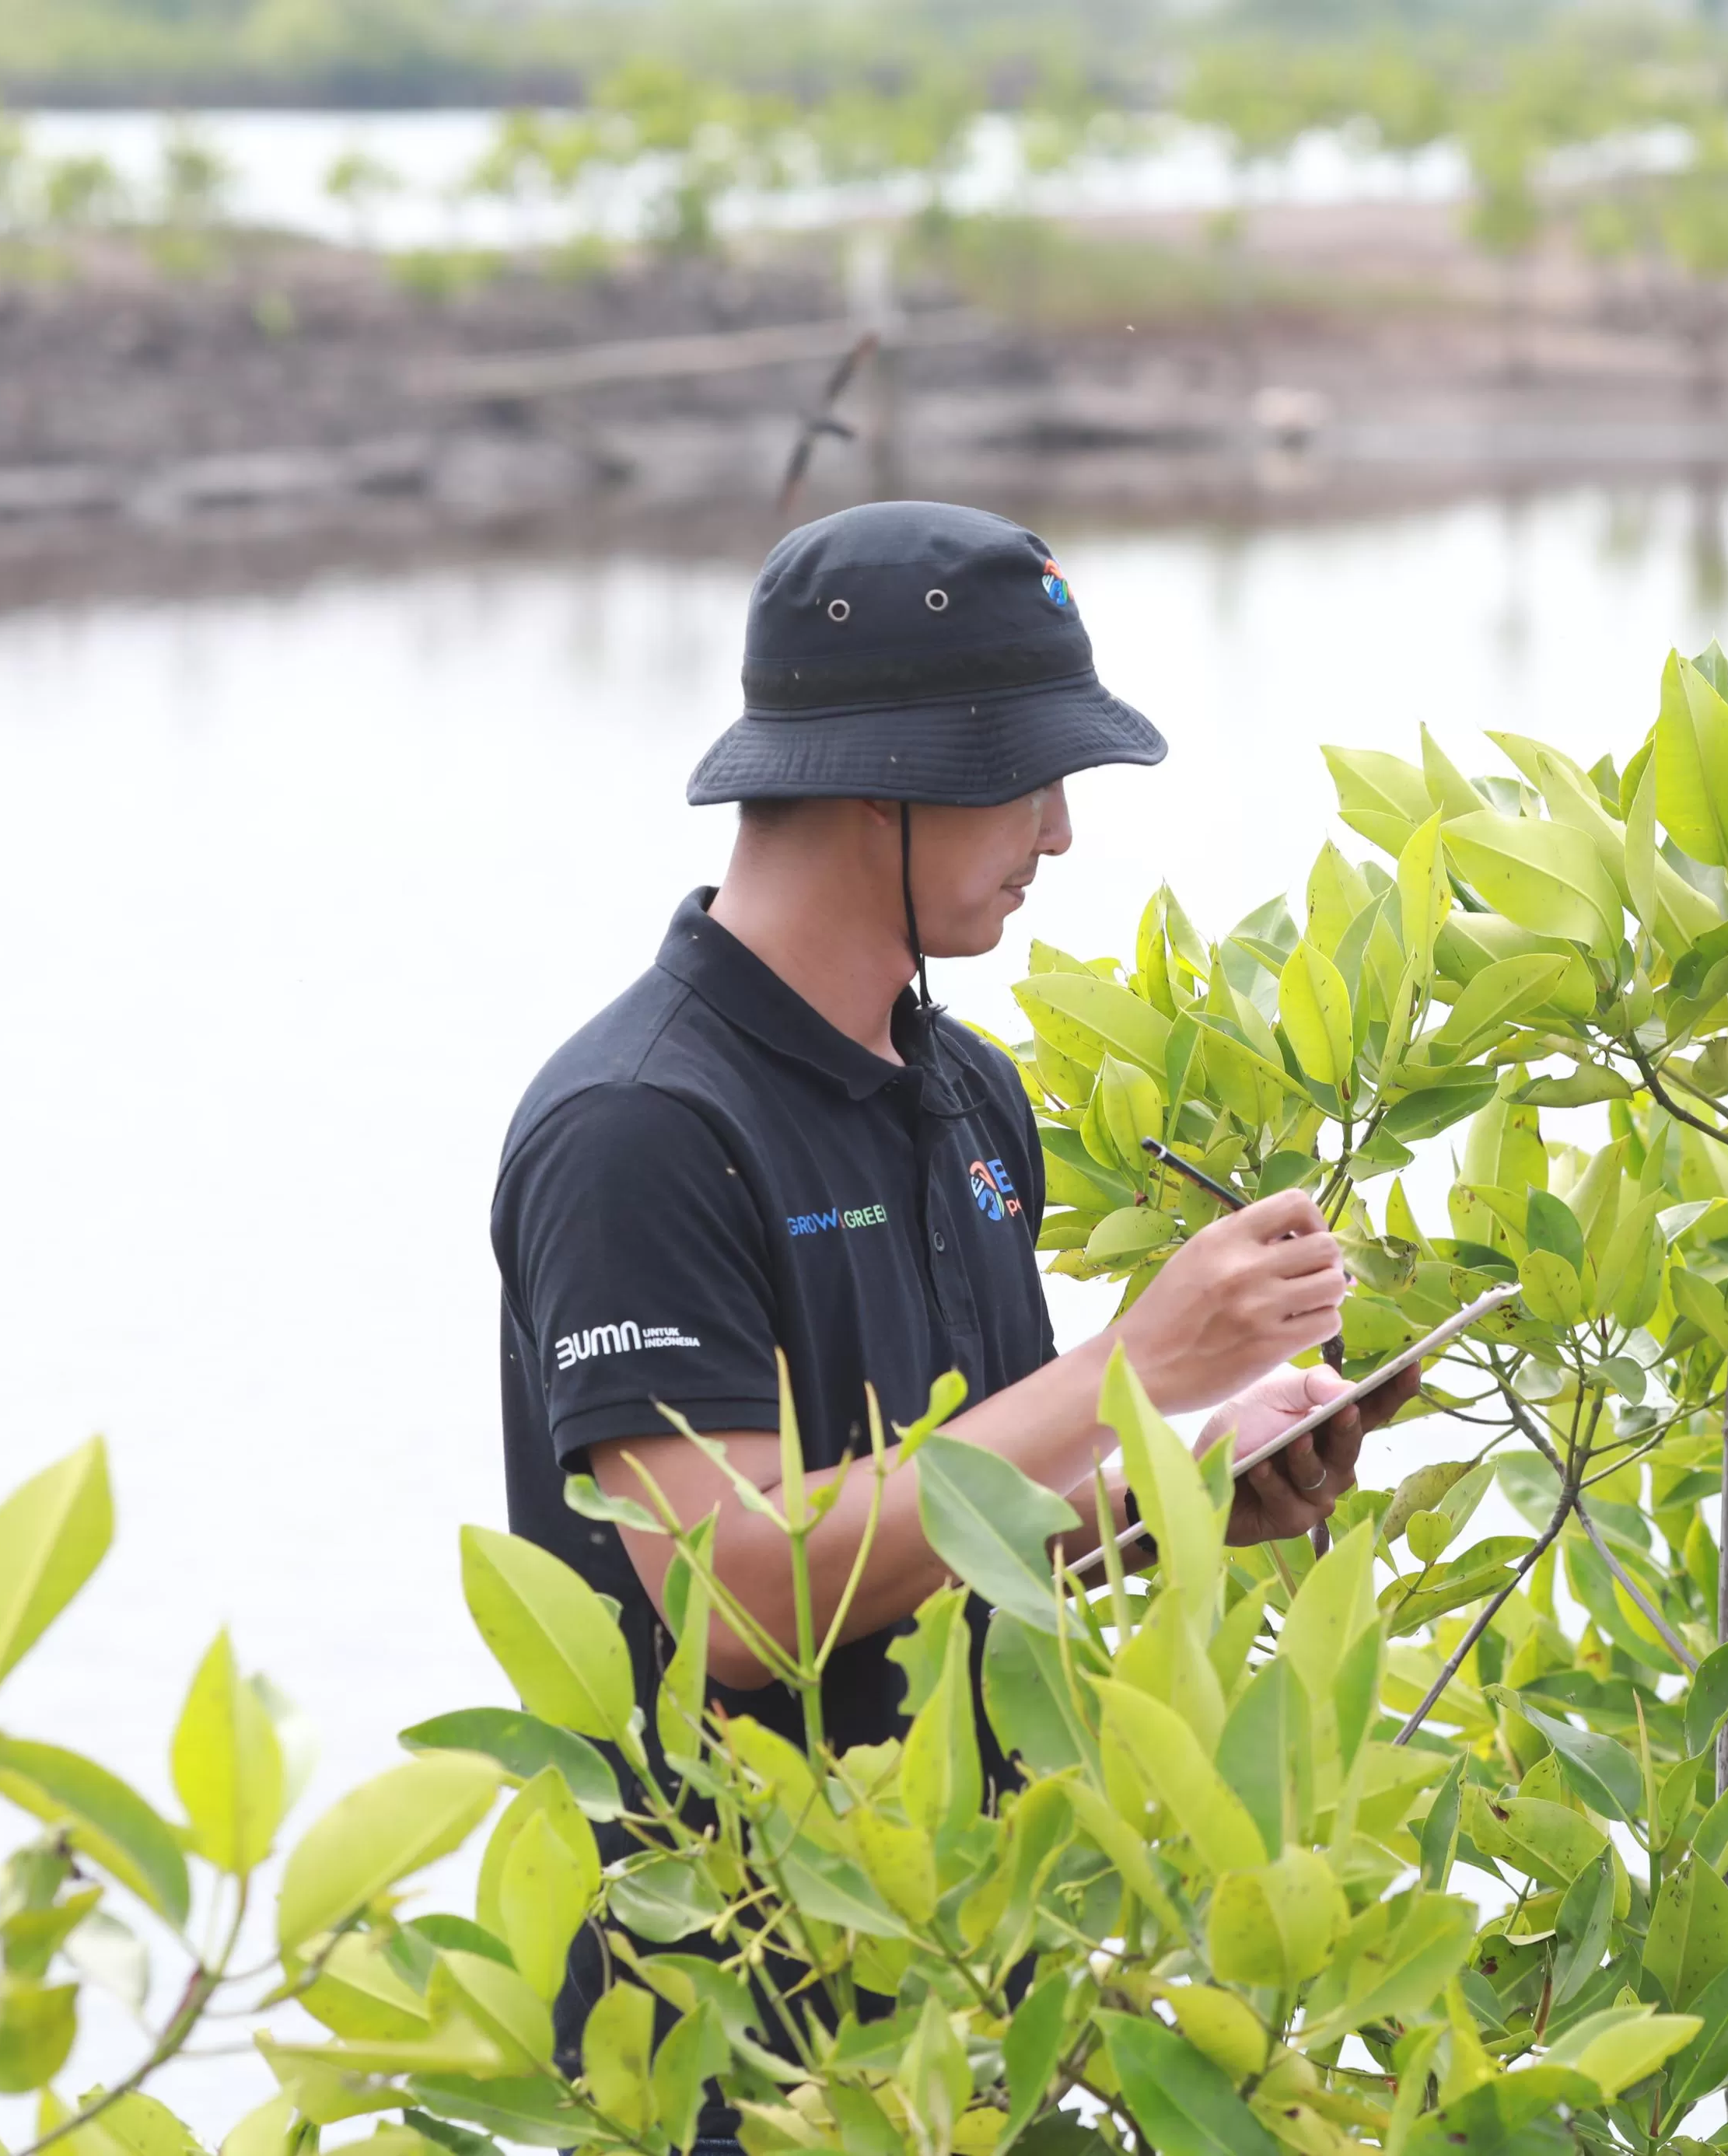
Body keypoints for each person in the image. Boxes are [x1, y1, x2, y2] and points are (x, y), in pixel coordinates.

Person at [488, 501, 1411, 2083]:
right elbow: (736, 1602)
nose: (1058, 831)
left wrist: (1176, 1493)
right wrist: (1139, 1364)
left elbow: (950, 1535)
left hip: (979, 1986)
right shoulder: (639, 1128)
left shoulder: (963, 1091)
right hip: (739, 2032)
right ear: (879, 778)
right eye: (1029, 777)